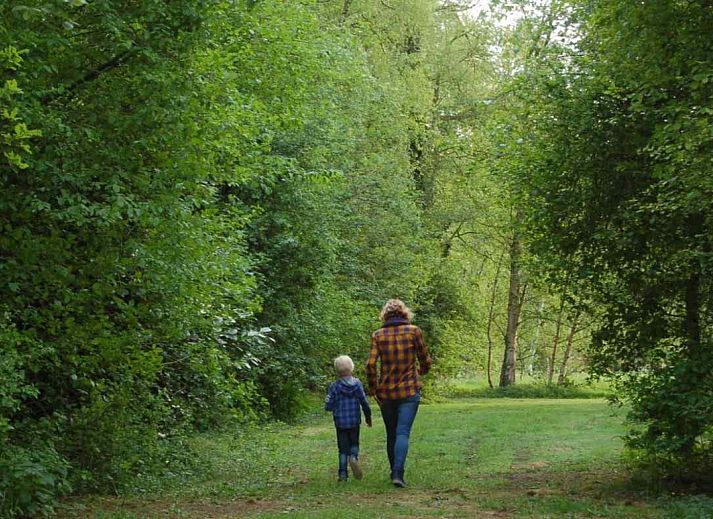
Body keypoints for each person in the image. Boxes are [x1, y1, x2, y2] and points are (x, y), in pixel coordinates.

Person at [366, 299, 432, 488]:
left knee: (391, 433)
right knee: (403, 432)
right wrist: (421, 372)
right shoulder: (414, 332)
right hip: (409, 390)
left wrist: (373, 388)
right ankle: (398, 472)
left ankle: (393, 471)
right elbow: (425, 359)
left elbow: (370, 365)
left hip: (386, 393)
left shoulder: (378, 335)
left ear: (384, 315)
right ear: (405, 313)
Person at [325, 355, 372, 482]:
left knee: (342, 449)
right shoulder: (357, 384)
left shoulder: (334, 386)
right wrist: (368, 417)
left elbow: (328, 405)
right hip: (354, 421)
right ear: (352, 368)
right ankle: (353, 457)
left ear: (336, 370)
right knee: (354, 443)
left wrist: (331, 406)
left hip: (340, 422)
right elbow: (364, 402)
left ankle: (342, 474)